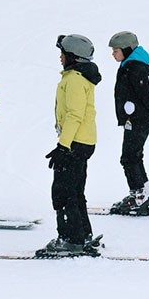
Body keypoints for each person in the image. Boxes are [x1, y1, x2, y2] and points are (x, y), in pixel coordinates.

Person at [39, 33, 103, 257]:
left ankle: (70, 239)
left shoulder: (75, 79)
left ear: (73, 57)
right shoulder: (78, 77)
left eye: (63, 54)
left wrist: (63, 146)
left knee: (63, 191)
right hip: (82, 140)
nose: (60, 58)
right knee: (75, 190)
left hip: (75, 142)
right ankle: (82, 234)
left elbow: (75, 115)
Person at [107, 31, 149, 214]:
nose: (113, 54)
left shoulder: (134, 68)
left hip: (138, 119)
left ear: (126, 49)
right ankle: (144, 193)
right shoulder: (129, 65)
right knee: (134, 156)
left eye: (116, 50)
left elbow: (145, 92)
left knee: (129, 157)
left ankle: (139, 196)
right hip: (135, 119)